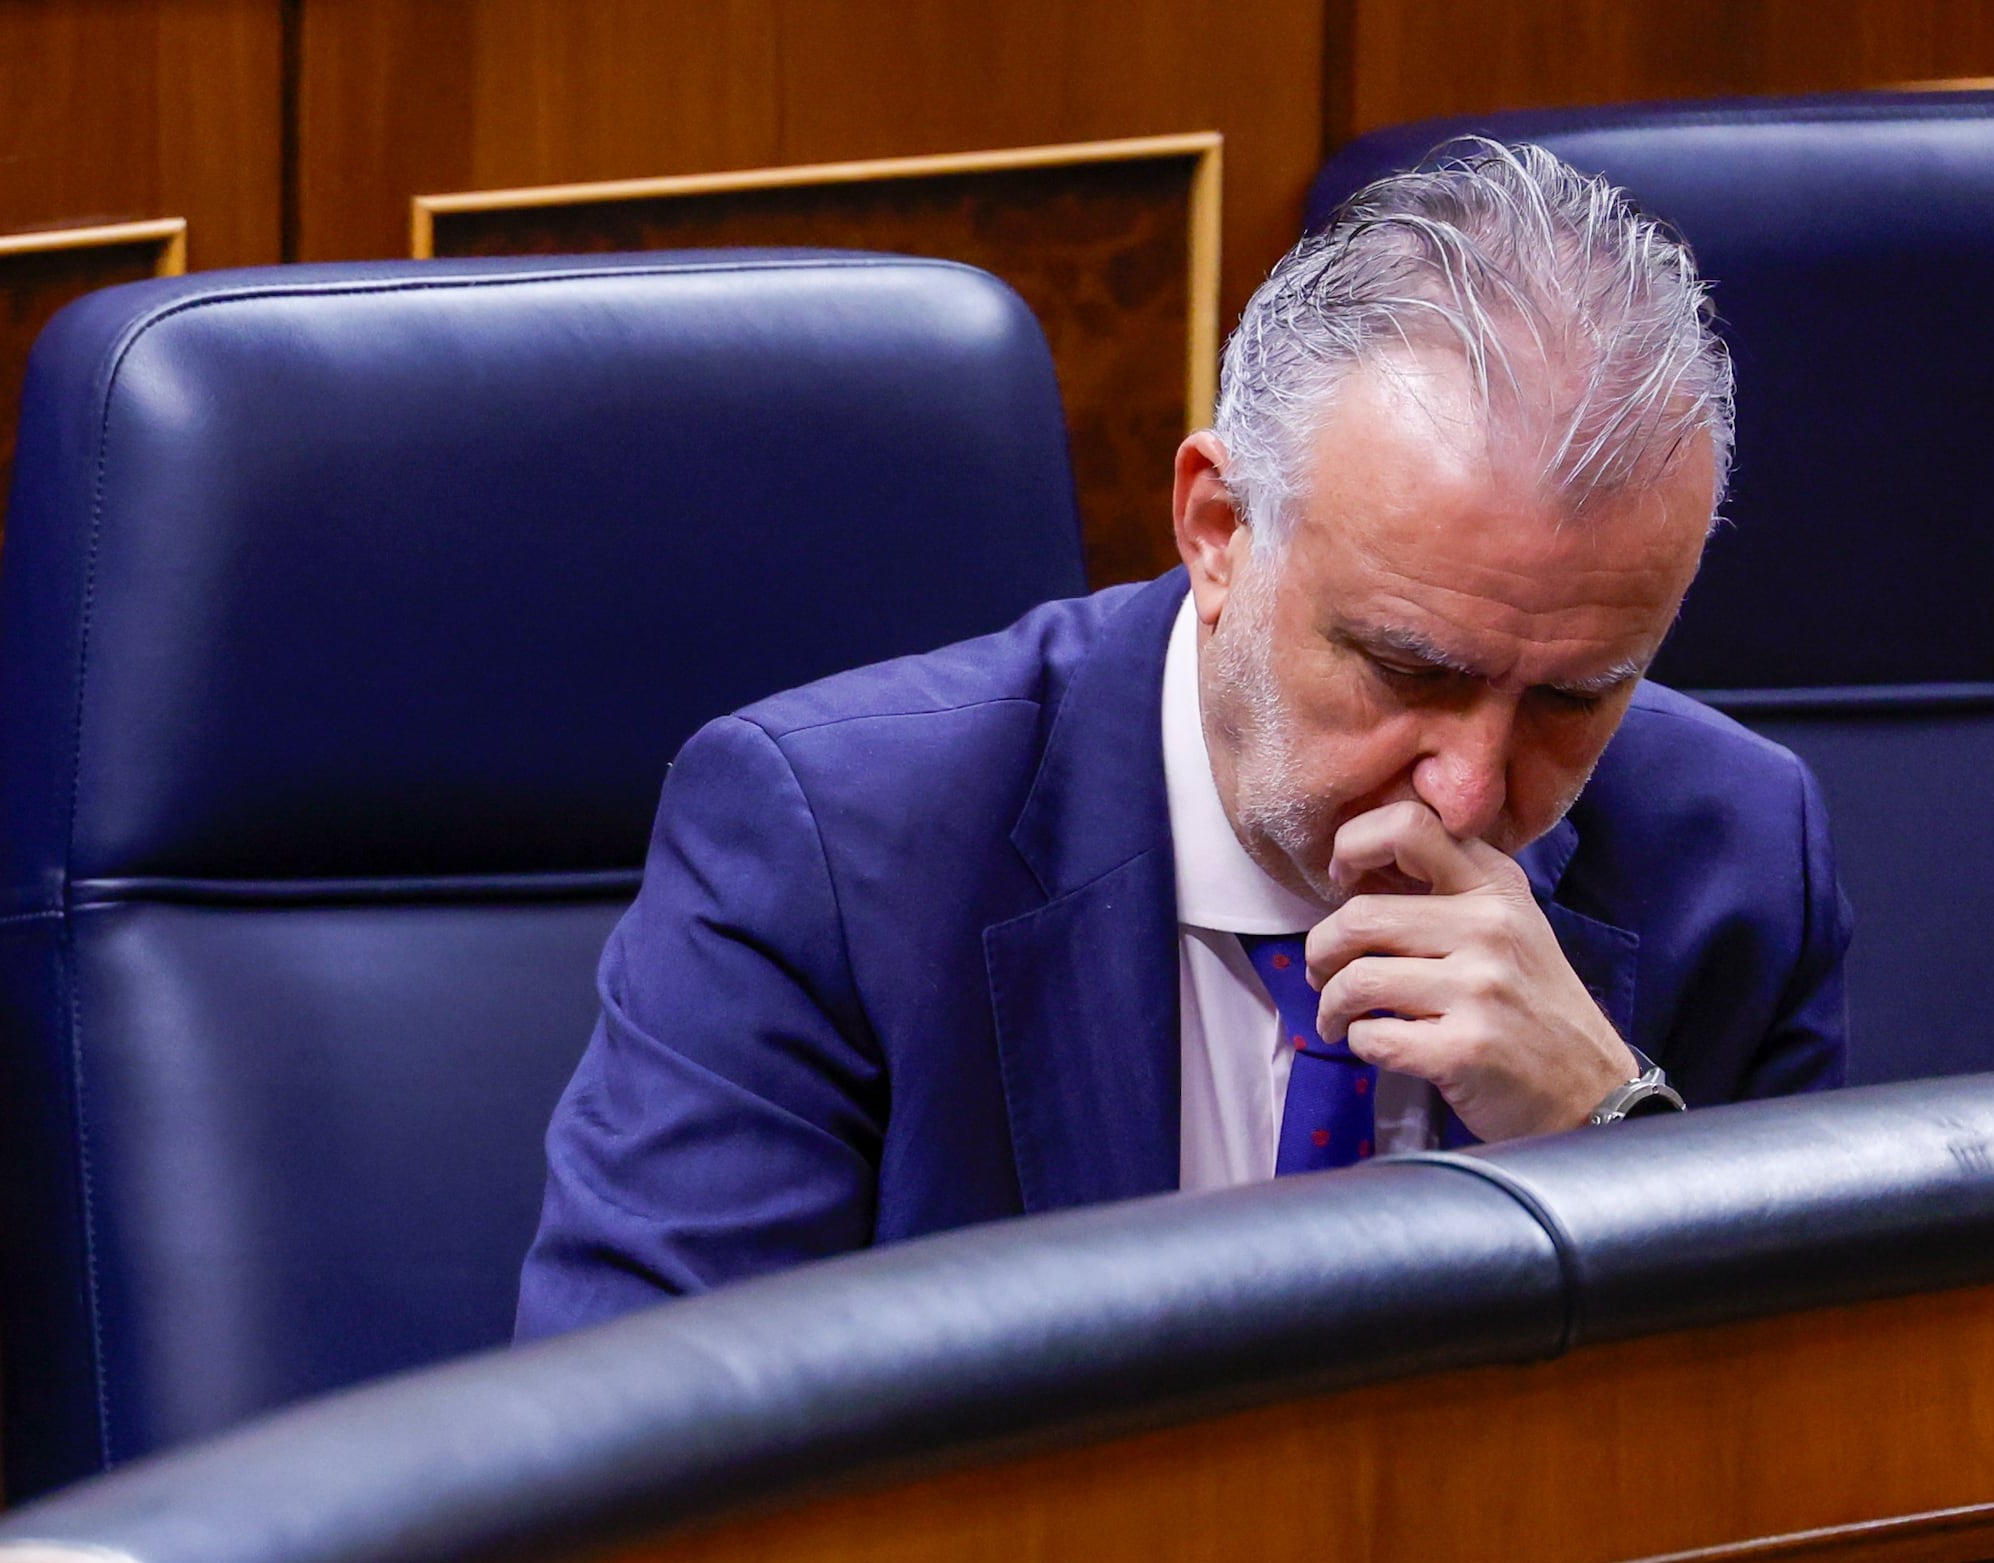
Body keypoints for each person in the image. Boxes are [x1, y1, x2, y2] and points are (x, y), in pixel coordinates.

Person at [516, 140, 1850, 1337]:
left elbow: (1837, 1488)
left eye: (1575, 697)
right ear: (1218, 529)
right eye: (1407, 667)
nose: (1472, 786)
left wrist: (1614, 1145)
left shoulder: (1730, 862)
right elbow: (628, 1488)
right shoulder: (836, 859)